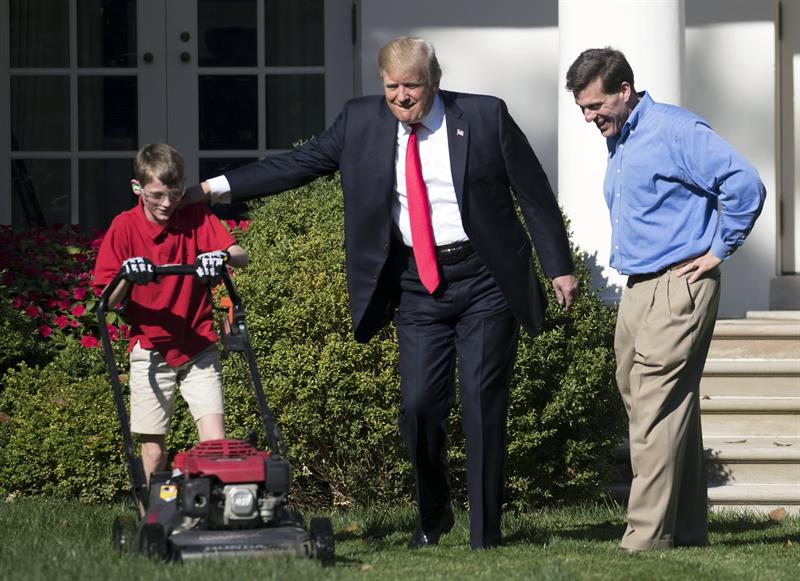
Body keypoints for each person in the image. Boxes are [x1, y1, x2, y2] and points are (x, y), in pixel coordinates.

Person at [185, 36, 577, 549]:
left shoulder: (484, 117)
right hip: (416, 286)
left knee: (482, 403)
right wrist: (214, 189)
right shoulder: (360, 122)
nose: (400, 97)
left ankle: (486, 535)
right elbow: (296, 165)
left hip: (485, 279)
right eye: (391, 86)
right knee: (418, 407)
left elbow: (534, 192)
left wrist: (558, 268)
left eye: (410, 86)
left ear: (432, 81)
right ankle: (433, 517)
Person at [565, 47, 766, 551]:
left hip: (679, 284)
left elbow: (744, 184)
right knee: (657, 407)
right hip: (639, 288)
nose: (590, 118)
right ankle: (689, 528)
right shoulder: (623, 137)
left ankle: (646, 537)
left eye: (595, 107)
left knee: (654, 407)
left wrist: (719, 250)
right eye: (583, 110)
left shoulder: (676, 130)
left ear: (624, 91)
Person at [93, 143, 249, 485]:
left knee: (215, 444)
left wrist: (221, 257)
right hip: (150, 349)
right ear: (138, 189)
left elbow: (241, 255)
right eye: (156, 195)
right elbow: (109, 300)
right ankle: (152, 518)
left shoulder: (193, 216)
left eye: (175, 194)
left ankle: (214, 516)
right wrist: (127, 275)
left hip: (198, 345)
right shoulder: (124, 227)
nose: (166, 203)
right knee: (153, 452)